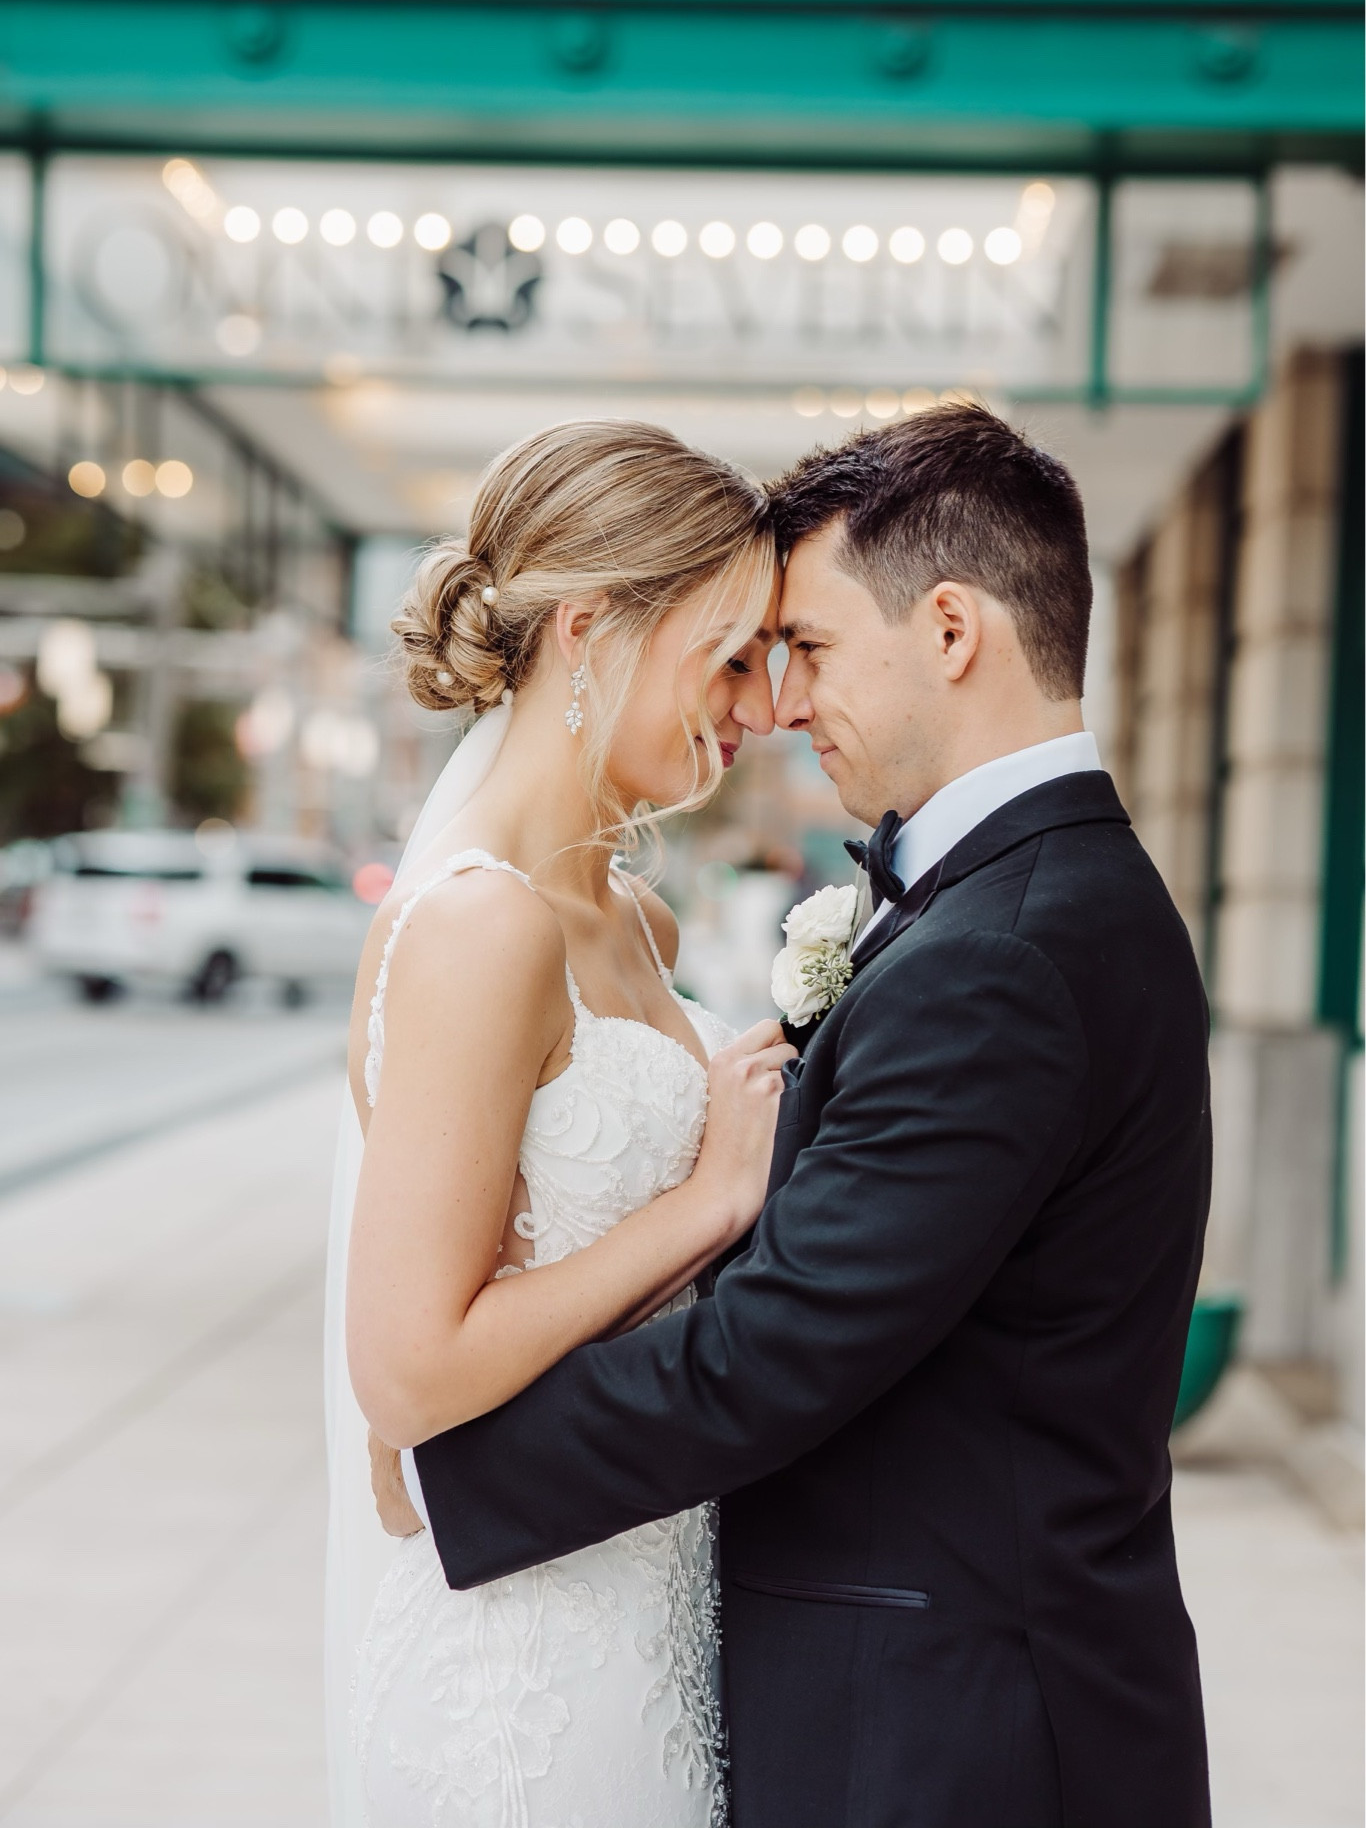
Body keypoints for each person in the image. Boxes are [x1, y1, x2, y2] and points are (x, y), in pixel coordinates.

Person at [379, 403, 1214, 1828]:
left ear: (949, 630)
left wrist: (450, 1472)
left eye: (808, 646)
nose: (775, 702)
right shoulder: (1019, 906)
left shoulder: (1008, 950)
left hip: (953, 1733)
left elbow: (782, 1344)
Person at [324, 419, 792, 1828]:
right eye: (730, 656)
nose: (759, 704)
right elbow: (409, 1375)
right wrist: (709, 1202)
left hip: (648, 1603)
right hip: (519, 1677)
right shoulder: (481, 926)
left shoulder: (637, 922)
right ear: (590, 629)